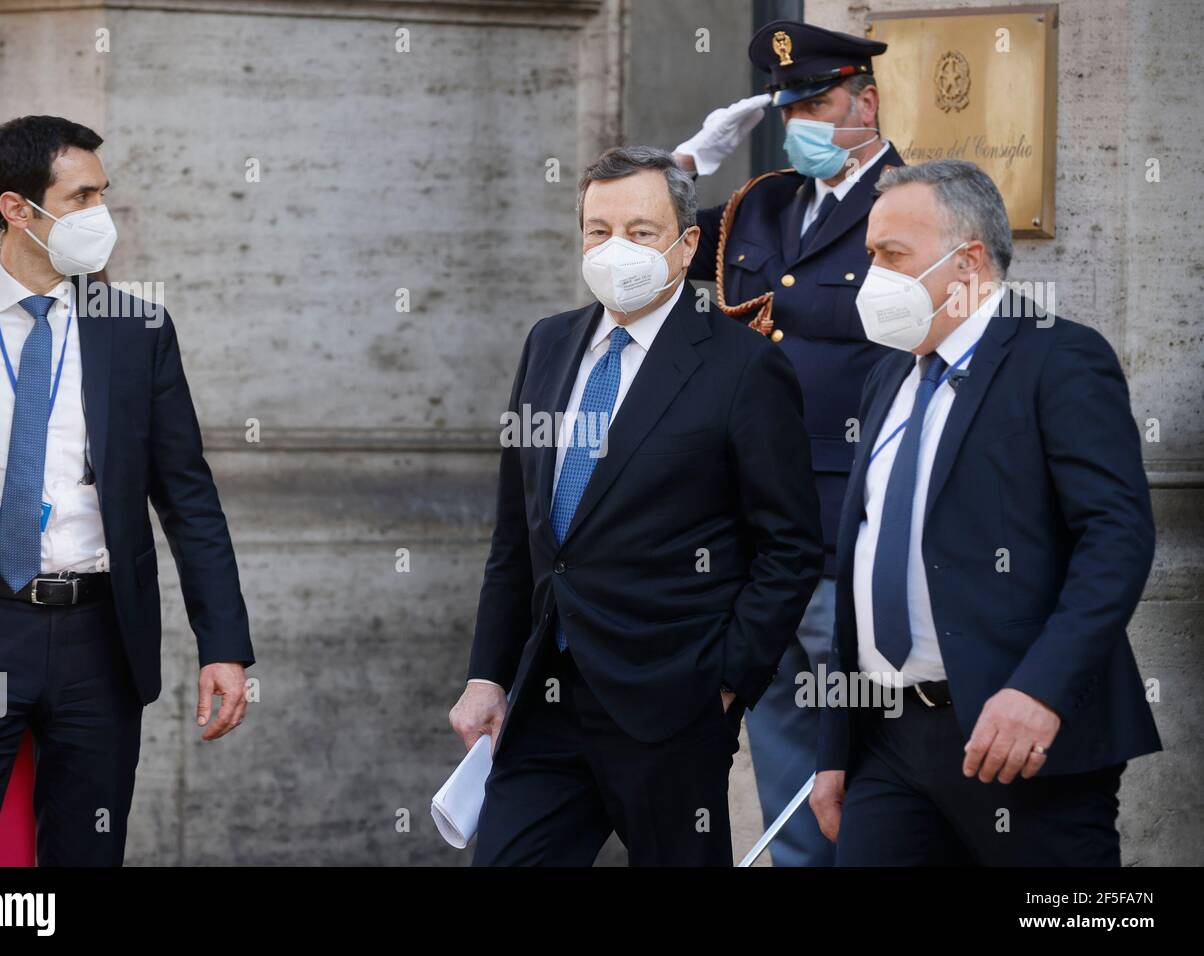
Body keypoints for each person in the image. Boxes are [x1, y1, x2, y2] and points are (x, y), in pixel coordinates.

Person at [449, 146, 823, 866]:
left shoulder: (743, 365)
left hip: (670, 708)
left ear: (686, 246)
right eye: (598, 229)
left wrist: (724, 683)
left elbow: (790, 546)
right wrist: (487, 676)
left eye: (641, 231)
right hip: (545, 700)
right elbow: (516, 536)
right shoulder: (549, 344)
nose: (615, 247)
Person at [0, 115, 255, 866]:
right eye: (83, 195)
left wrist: (223, 645)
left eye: (104, 194)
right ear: (16, 209)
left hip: (99, 639)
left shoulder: (137, 330)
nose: (102, 215)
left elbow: (189, 498)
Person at [808, 159, 1162, 865]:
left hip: (1021, 743)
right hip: (888, 744)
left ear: (967, 261)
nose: (870, 274)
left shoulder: (1058, 357)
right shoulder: (888, 376)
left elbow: (1116, 537)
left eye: (891, 255)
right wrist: (835, 747)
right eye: (869, 254)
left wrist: (1040, 690)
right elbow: (863, 558)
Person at [673, 19, 901, 866]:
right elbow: (644, 240)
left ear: (865, 100)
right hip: (751, 534)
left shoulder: (916, 203)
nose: (803, 119)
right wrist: (685, 164)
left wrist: (796, 306)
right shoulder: (755, 206)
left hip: (850, 527)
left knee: (867, 774)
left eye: (821, 101)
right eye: (789, 105)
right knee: (780, 757)